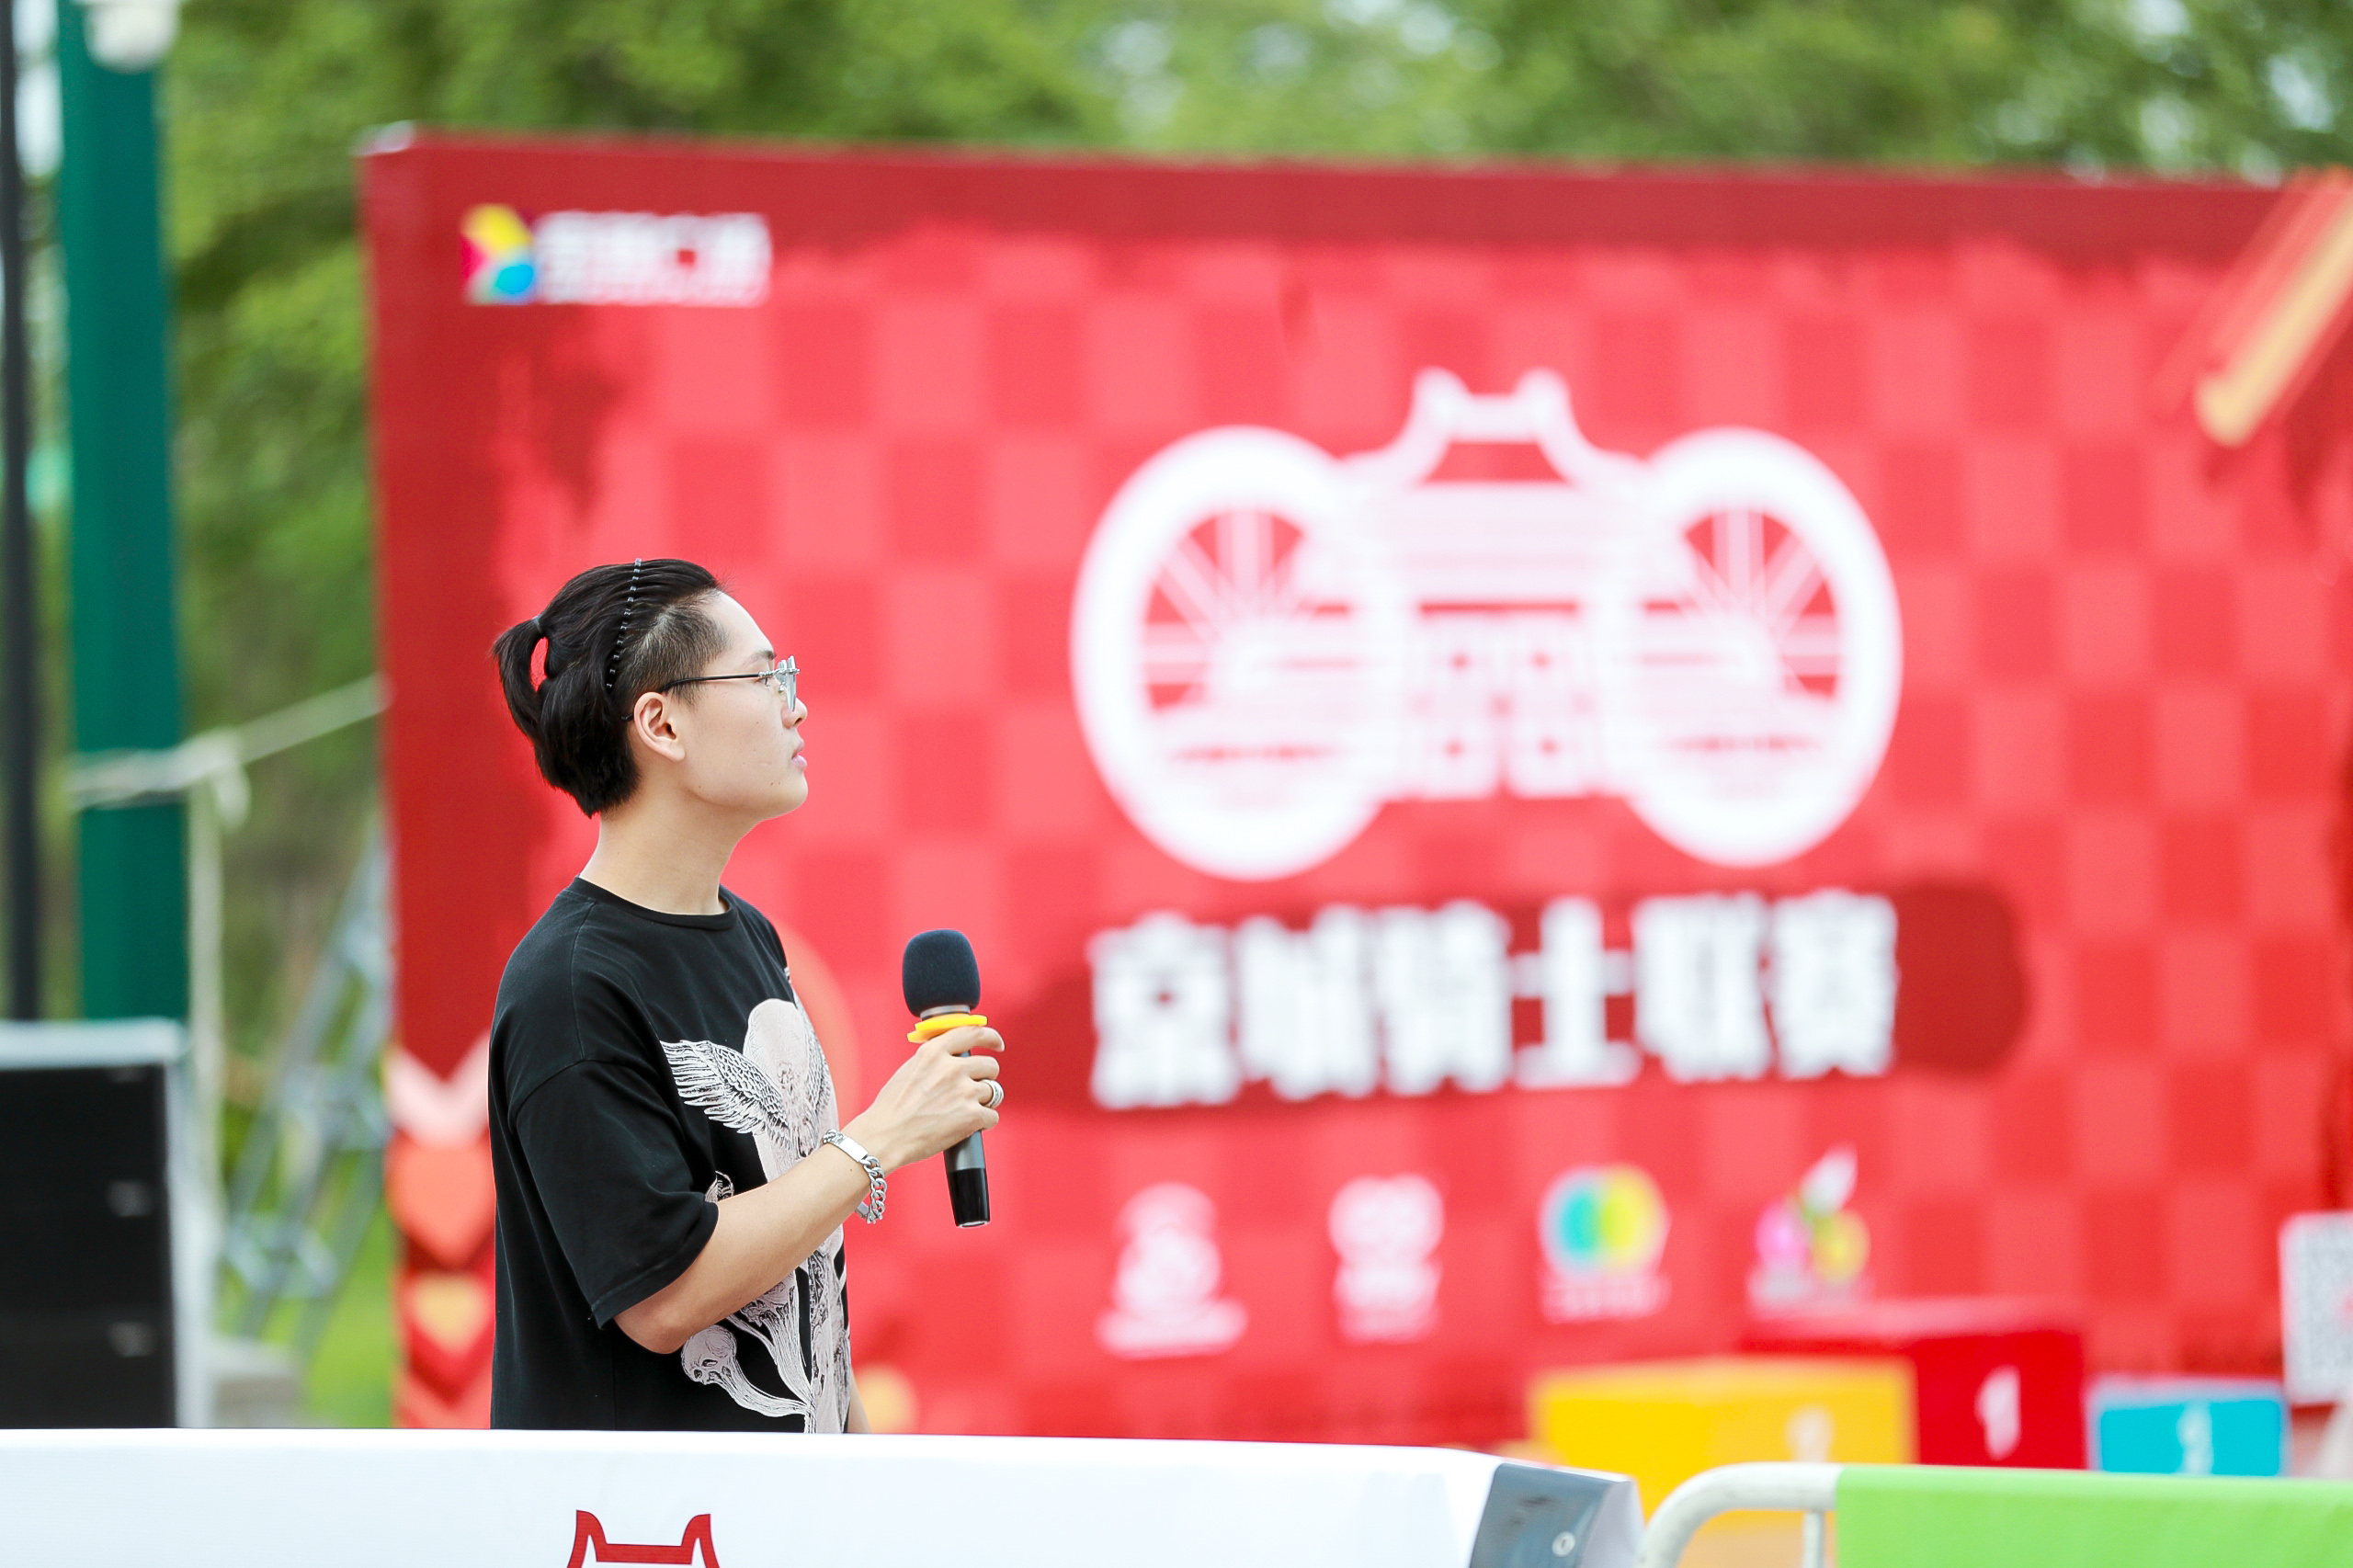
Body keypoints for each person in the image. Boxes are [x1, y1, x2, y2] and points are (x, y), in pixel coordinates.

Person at [484, 557, 1003, 1430]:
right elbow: (664, 1294)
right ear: (662, 724)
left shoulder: (748, 935)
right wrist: (878, 1139)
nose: (796, 706)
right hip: (651, 1508)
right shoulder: (570, 989)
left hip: (790, 1498)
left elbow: (808, 1286)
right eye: (764, 677)